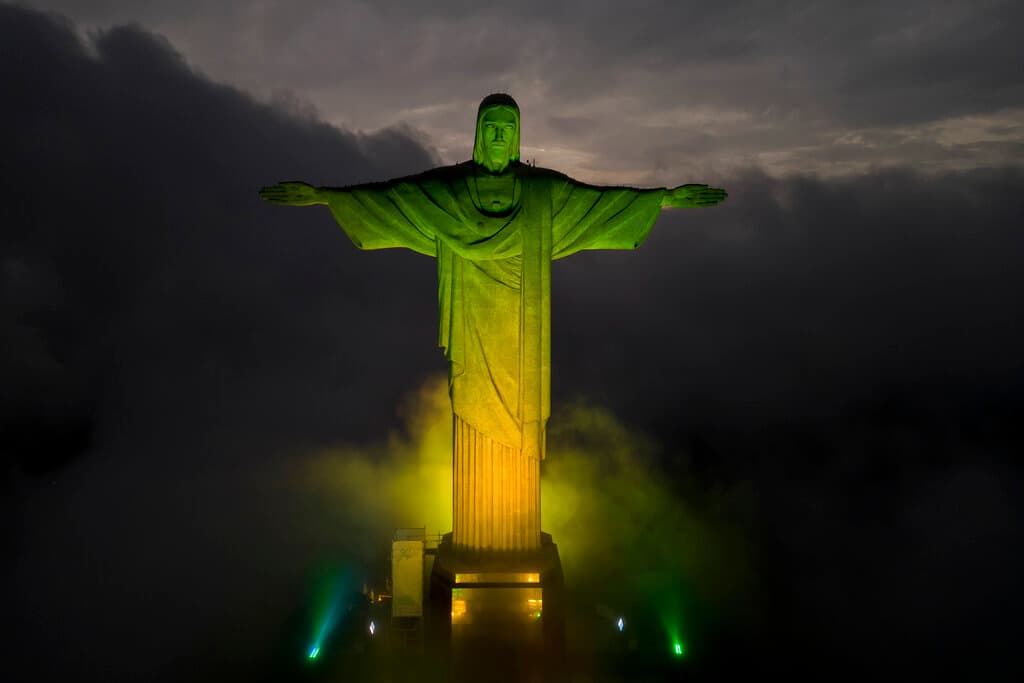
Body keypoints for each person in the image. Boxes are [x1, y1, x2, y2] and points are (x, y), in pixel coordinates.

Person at [259, 93, 727, 552]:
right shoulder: (453, 191)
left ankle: (512, 543)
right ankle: (478, 543)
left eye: (507, 128)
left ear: (518, 136)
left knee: (516, 434)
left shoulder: (542, 194)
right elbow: (396, 198)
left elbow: (598, 204)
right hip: (472, 324)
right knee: (472, 416)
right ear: (479, 135)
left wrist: (661, 199)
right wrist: (325, 198)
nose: (500, 136)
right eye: (491, 128)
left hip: (522, 342)